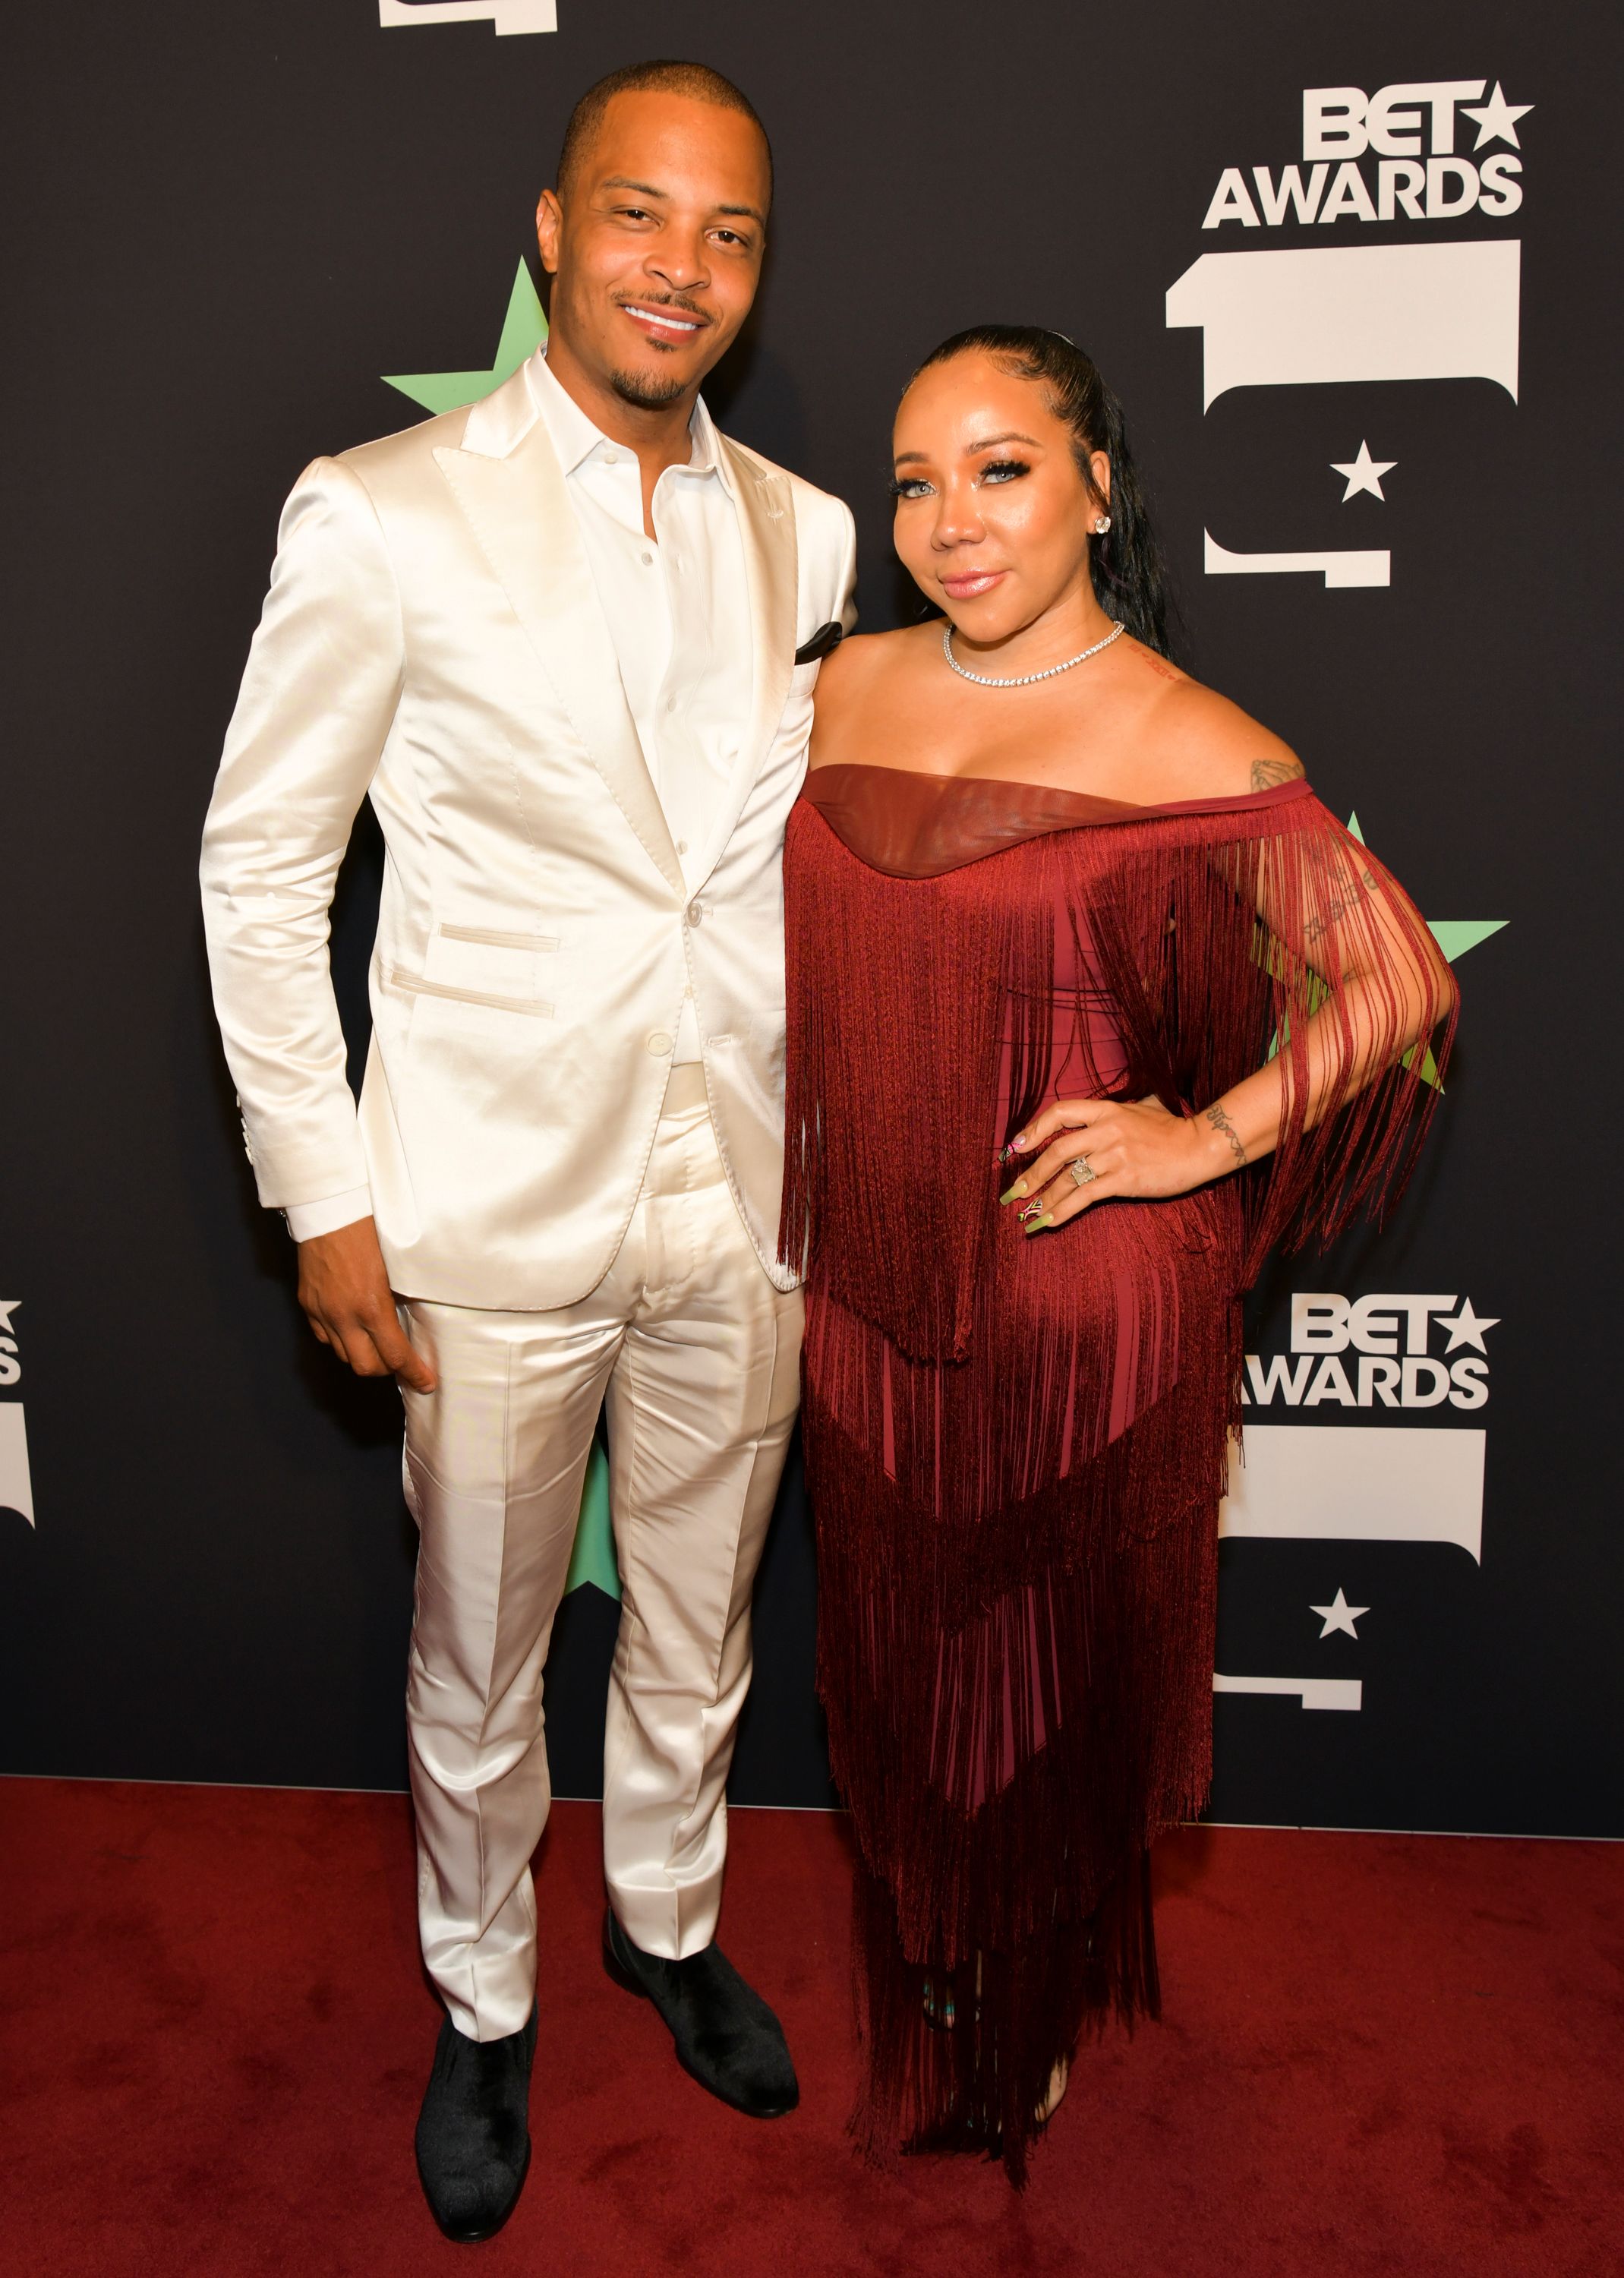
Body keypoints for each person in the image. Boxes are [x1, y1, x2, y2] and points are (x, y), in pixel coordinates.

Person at [200, 61, 854, 2242]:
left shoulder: (806, 530)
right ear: (554, 230)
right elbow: (258, 866)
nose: (683, 265)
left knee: (701, 1611)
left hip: (741, 1189)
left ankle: (661, 1920)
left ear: (758, 274)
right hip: (480, 1195)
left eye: (730, 233)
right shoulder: (379, 508)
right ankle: (481, 1990)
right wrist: (327, 1189)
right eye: (640, 216)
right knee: (478, 1650)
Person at [784, 325, 1457, 2185]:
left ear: (1096, 484)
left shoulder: (1188, 736)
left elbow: (1396, 976)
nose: (949, 520)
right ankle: (954, 1937)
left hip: (1078, 1303)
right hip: (871, 1284)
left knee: (1040, 1678)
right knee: (906, 1672)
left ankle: (1025, 1979)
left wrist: (1197, 1137)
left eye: (1000, 469)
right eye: (916, 481)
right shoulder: (842, 683)